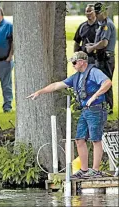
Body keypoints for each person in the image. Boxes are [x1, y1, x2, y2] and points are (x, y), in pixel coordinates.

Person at [27, 51, 112, 179]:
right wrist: (40, 92)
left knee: (96, 139)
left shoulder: (94, 72)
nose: (72, 65)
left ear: (82, 62)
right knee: (79, 139)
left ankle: (95, 170)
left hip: (96, 109)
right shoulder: (76, 77)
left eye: (74, 62)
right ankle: (83, 170)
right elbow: (57, 85)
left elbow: (107, 83)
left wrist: (95, 96)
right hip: (85, 110)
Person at [85, 2, 116, 114]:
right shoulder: (101, 23)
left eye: (98, 13)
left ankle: (108, 108)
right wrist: (92, 45)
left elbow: (104, 43)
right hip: (101, 57)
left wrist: (92, 47)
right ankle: (102, 106)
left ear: (104, 12)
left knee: (105, 83)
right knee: (99, 82)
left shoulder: (107, 25)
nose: (97, 15)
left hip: (106, 58)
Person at [0, 8, 14, 112]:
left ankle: (7, 106)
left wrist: (10, 55)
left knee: (6, 85)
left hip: (4, 61)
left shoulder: (8, 26)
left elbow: (13, 41)